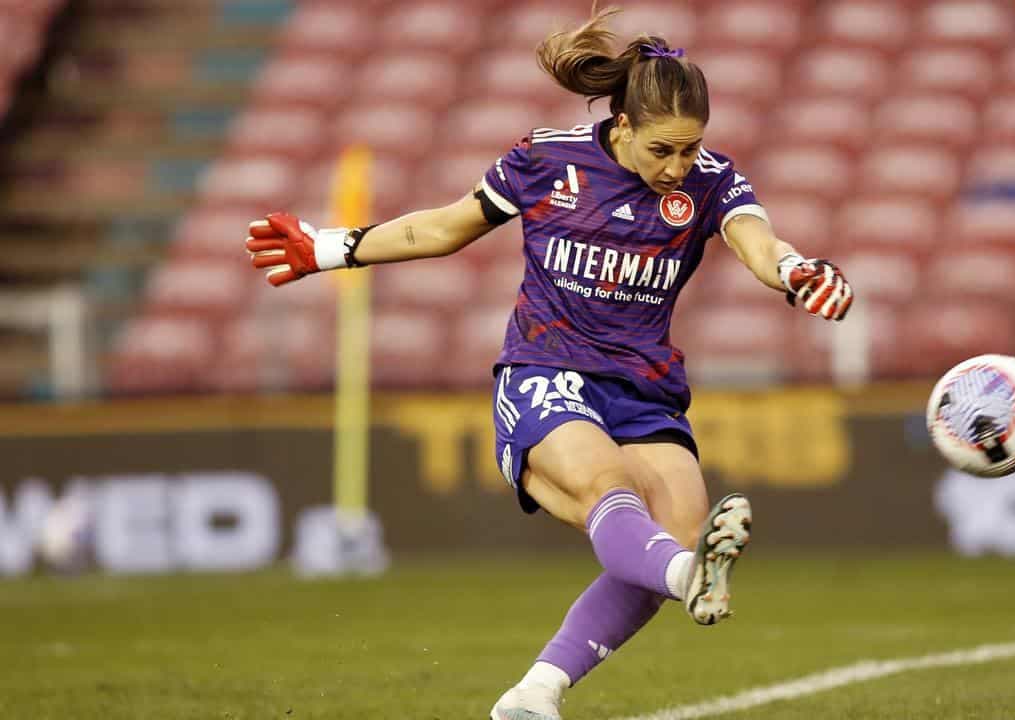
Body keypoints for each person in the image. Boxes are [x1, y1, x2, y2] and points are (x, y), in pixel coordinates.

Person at [244, 6, 853, 719]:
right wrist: (330, 248)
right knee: (608, 486)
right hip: (546, 367)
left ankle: (535, 693)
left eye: (691, 149)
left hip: (644, 389)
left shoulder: (713, 182)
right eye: (662, 149)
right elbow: (444, 228)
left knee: (676, 532)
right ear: (622, 125)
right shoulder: (546, 159)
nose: (677, 166)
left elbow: (758, 243)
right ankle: (689, 578)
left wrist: (796, 271)